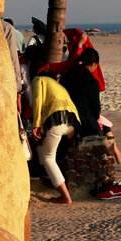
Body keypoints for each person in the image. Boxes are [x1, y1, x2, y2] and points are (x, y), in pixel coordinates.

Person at [61, 48, 121, 164]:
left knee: (104, 125)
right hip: (83, 121)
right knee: (104, 127)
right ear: (94, 64)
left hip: (66, 114)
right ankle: (117, 156)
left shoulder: (68, 75)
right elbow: (95, 109)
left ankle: (119, 156)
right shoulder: (91, 81)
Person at [29, 74, 80, 204]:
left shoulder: (38, 80)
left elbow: (37, 102)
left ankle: (65, 197)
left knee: (48, 158)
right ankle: (52, 181)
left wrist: (36, 124)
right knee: (43, 151)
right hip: (72, 122)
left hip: (57, 120)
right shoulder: (57, 85)